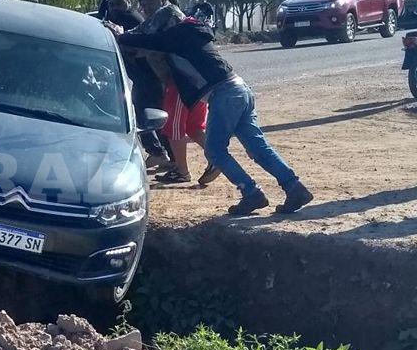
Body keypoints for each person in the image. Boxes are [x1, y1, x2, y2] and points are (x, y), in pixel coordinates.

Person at [109, 17, 313, 215]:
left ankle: (251, 192)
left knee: (215, 152)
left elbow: (151, 41)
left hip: (224, 95)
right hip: (240, 89)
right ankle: (294, 188)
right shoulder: (193, 31)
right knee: (259, 148)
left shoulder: (179, 34)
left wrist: (121, 35)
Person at [130, 0, 219, 186]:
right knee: (192, 126)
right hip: (190, 79)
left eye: (149, 3)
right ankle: (216, 159)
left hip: (181, 80)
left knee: (173, 126)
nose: (145, 9)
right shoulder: (166, 17)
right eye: (142, 6)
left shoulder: (167, 13)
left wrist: (121, 36)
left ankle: (183, 170)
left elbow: (143, 34)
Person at [103, 0, 172, 165]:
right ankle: (165, 155)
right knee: (150, 114)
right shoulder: (117, 19)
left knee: (144, 115)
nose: (115, 8)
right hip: (143, 77)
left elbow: (140, 45)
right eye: (111, 5)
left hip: (150, 75)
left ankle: (160, 154)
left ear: (128, 2)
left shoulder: (131, 19)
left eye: (119, 3)